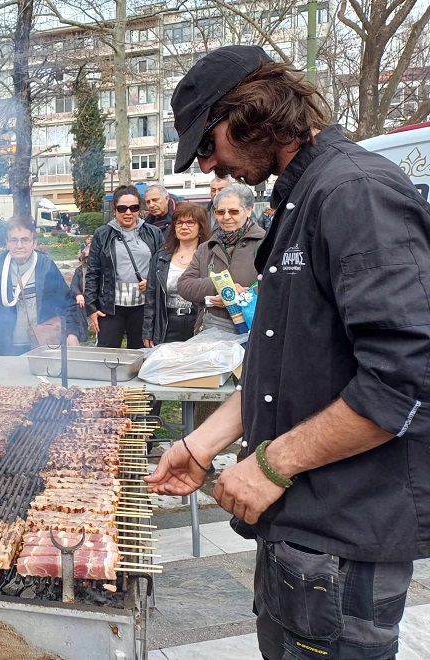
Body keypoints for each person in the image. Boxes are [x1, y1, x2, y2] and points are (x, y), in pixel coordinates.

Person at [147, 45, 430, 660]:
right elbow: (282, 364)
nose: (211, 165)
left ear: (246, 114)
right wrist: (201, 445)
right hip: (302, 535)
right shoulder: (302, 198)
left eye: (208, 141)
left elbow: (406, 380)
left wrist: (271, 464)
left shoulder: (354, 192)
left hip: (345, 534)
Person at [0, 218, 83, 356]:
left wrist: (72, 333)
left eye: (25, 240)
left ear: (34, 242)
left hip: (42, 346)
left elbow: (68, 302)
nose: (19, 245)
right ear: (7, 243)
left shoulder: (46, 266)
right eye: (14, 240)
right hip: (5, 347)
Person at [177, 183, 265, 334]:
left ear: (248, 211)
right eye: (220, 212)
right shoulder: (206, 248)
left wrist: (242, 297)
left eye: (233, 211)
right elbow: (184, 285)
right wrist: (221, 287)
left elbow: (279, 287)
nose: (226, 217)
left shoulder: (266, 244)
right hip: (212, 333)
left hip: (253, 331)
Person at [84, 186, 163, 348]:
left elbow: (163, 267)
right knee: (107, 356)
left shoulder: (153, 233)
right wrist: (91, 308)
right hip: (111, 307)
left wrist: (152, 282)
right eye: (122, 208)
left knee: (140, 356)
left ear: (139, 209)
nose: (128, 212)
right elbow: (93, 272)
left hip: (143, 306)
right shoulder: (102, 234)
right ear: (115, 209)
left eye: (133, 208)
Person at [142, 203, 211, 347]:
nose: (184, 227)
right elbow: (151, 297)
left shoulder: (210, 256)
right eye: (179, 222)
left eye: (190, 222)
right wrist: (148, 331)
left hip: (200, 322)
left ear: (200, 227)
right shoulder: (161, 257)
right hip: (167, 323)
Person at [70, 237, 91, 339]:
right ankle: (83, 335)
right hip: (83, 300)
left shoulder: (103, 270)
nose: (88, 260)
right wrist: (78, 294)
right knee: (77, 306)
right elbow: (74, 284)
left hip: (98, 300)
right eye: (86, 257)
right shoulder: (80, 270)